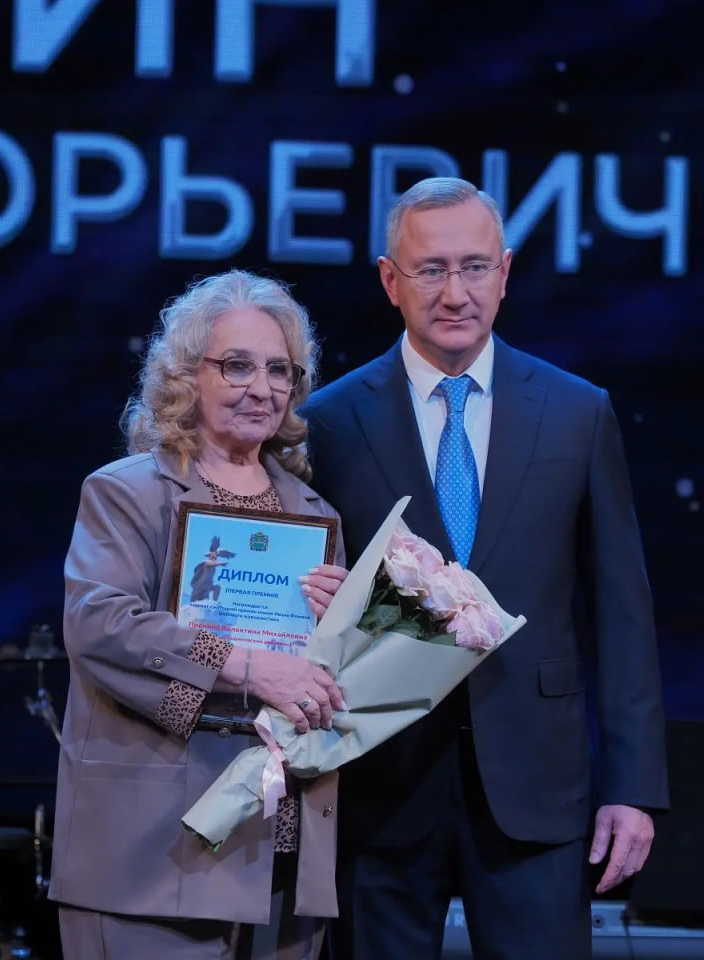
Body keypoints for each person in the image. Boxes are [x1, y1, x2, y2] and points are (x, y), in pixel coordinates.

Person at [302, 178, 669, 960]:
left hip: (537, 783)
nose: (455, 292)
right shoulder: (329, 422)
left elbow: (623, 613)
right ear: (389, 280)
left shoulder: (577, 412)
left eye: (474, 267)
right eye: (430, 269)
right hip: (380, 784)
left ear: (504, 273)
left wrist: (634, 787)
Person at [50, 269, 350, 960]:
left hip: (278, 853)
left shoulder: (316, 516)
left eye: (279, 369)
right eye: (236, 365)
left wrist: (341, 637)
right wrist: (246, 667)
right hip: (152, 853)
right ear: (187, 375)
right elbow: (100, 625)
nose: (261, 387)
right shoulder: (128, 493)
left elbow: (326, 689)